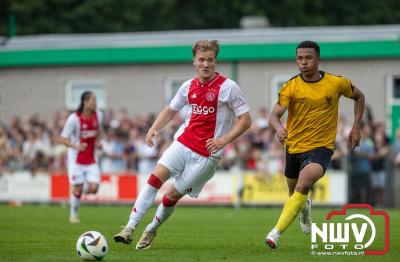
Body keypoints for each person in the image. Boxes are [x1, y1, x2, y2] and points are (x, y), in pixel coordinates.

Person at [113, 40, 252, 249]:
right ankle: (129, 228)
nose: (206, 64)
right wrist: (154, 128)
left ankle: (151, 229)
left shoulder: (228, 88)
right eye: (201, 60)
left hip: (207, 156)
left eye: (210, 60)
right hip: (183, 143)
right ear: (194, 62)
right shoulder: (188, 86)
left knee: (171, 196)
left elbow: (246, 120)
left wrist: (223, 140)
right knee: (154, 179)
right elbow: (170, 110)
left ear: (215, 62)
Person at [265, 40, 365, 249]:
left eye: (308, 58)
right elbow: (274, 115)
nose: (303, 62)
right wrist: (279, 128)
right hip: (293, 147)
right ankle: (305, 206)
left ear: (318, 59)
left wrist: (356, 126)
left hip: (321, 148)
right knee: (296, 195)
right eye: (299, 58)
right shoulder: (291, 86)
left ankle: (275, 233)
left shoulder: (336, 83)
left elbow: (359, 96)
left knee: (303, 184)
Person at [55, 91, 103, 223]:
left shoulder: (99, 115)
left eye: (95, 100)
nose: (95, 103)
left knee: (94, 189)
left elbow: (98, 132)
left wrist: (98, 142)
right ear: (85, 102)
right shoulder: (74, 119)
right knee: (79, 187)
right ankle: (73, 214)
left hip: (92, 158)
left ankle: (74, 191)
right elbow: (62, 138)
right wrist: (76, 146)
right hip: (76, 160)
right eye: (93, 100)